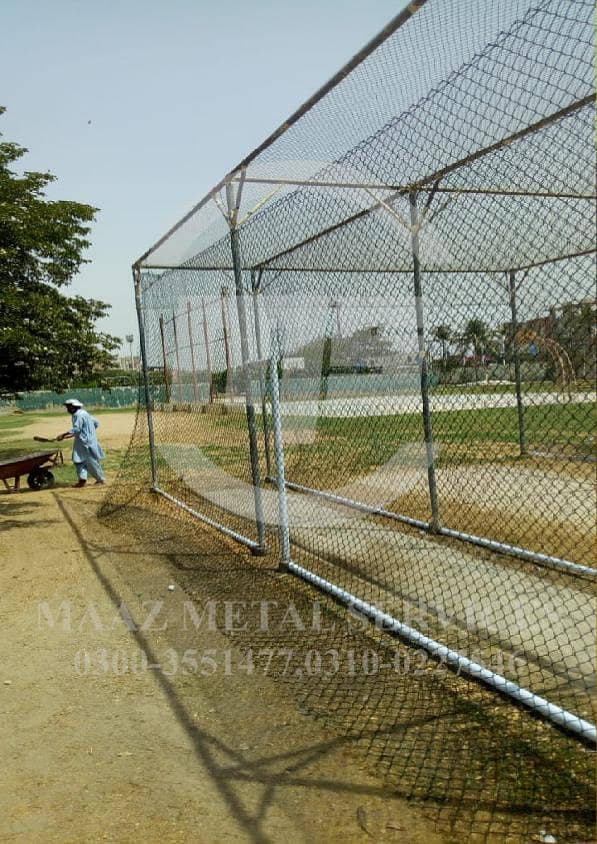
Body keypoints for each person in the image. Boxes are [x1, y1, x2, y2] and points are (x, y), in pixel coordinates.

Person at [56, 399, 105, 488]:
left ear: (74, 406)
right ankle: (82, 480)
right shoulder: (84, 413)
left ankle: (100, 479)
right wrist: (88, 432)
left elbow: (76, 429)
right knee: (78, 460)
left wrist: (63, 435)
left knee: (91, 461)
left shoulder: (78, 415)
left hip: (86, 442)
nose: (67, 409)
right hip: (82, 441)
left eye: (69, 407)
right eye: (67, 407)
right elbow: (96, 423)